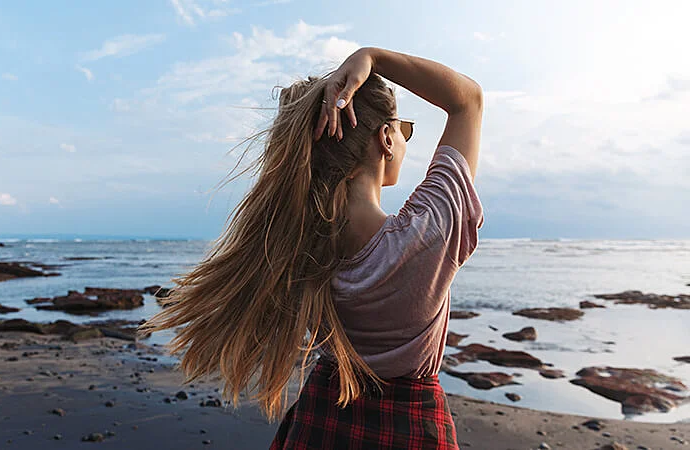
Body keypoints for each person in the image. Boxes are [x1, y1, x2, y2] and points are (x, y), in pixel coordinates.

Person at [138, 46, 484, 449]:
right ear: (386, 139)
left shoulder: (296, 243)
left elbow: (466, 103)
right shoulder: (429, 234)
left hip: (321, 418)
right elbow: (468, 101)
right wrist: (373, 57)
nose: (404, 139)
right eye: (403, 130)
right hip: (410, 428)